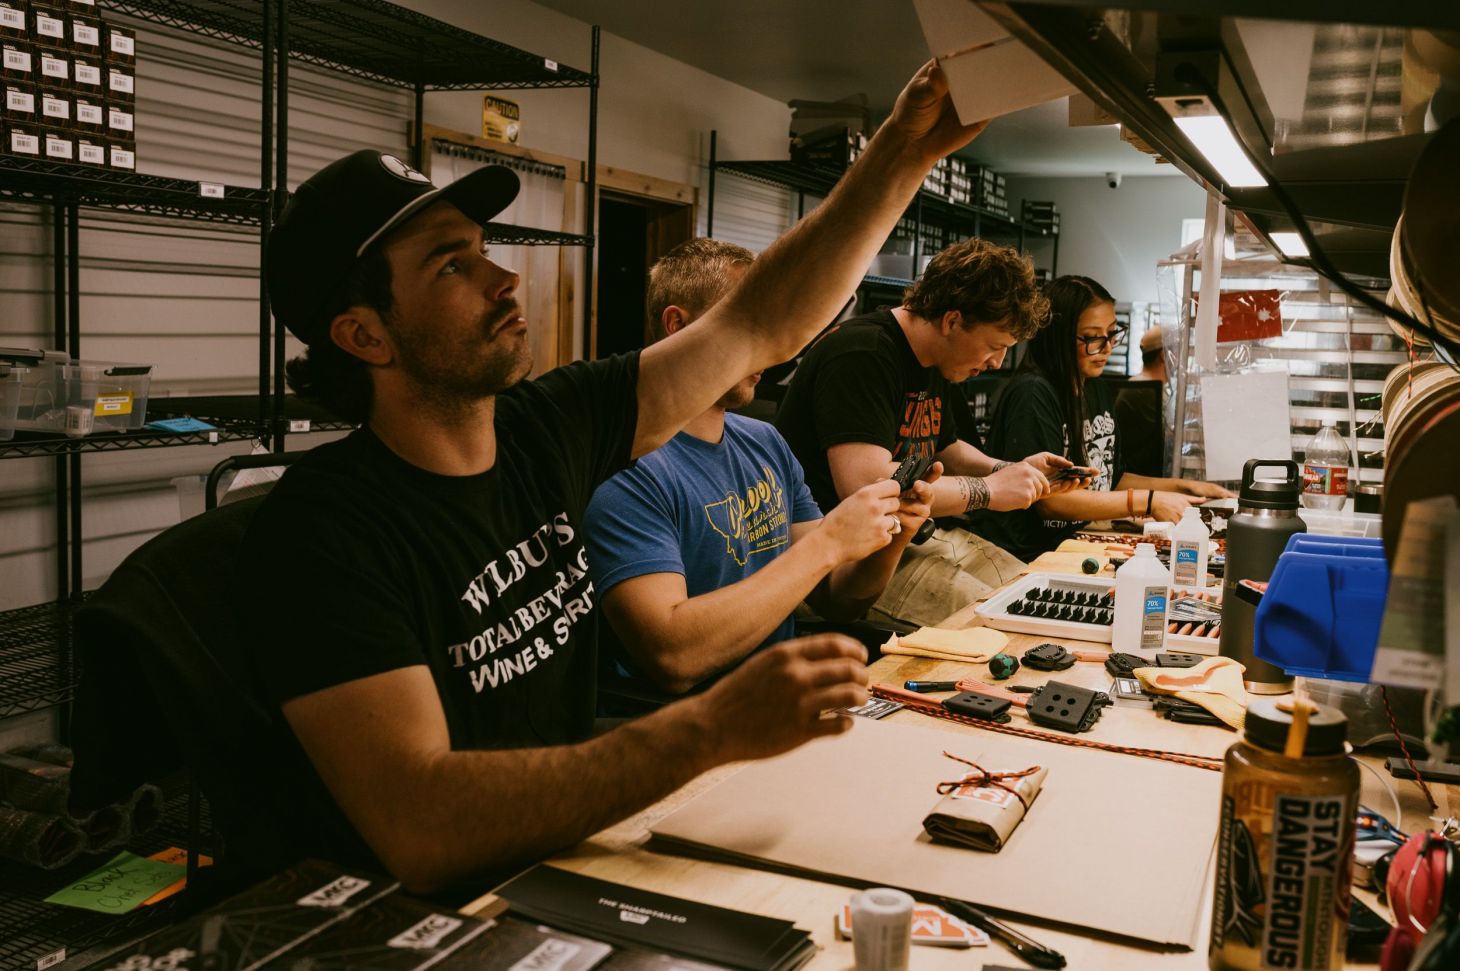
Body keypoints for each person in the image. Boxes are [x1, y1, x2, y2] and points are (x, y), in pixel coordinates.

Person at [235, 61, 985, 894]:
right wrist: (704, 732)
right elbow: (423, 821)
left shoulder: (546, 428)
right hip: (449, 913)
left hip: (571, 849)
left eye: (483, 251)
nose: (504, 277)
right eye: (451, 266)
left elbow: (759, 320)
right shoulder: (321, 534)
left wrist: (902, 156)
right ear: (364, 335)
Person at [583, 239, 935, 695]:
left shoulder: (763, 442)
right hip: (687, 727)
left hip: (780, 700)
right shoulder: (625, 471)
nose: (773, 348)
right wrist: (829, 541)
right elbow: (674, 655)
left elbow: (838, 598)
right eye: (750, 324)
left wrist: (896, 533)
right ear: (677, 325)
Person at [773, 237, 1080, 628]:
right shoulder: (862, 353)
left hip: (911, 538)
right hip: (843, 560)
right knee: (1002, 626)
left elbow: (946, 448)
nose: (997, 361)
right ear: (952, 321)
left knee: (1035, 596)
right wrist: (989, 492)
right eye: (993, 345)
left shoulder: (939, 359)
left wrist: (1011, 469)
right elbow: (867, 486)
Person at [968, 275, 1232, 562]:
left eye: (1111, 333)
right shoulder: (1033, 394)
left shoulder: (1093, 385)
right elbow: (1050, 502)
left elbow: (1110, 478)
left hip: (1073, 540)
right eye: (1094, 337)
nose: (1107, 347)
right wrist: (1147, 501)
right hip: (1026, 553)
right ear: (1058, 335)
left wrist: (1182, 486)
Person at [1114, 327, 1165, 476]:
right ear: (1163, 355)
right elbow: (1167, 438)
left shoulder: (1146, 385)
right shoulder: (1145, 389)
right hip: (1138, 479)